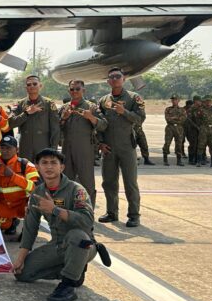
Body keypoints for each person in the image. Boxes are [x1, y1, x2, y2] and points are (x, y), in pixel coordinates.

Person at [13, 148, 98, 301]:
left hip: (83, 244)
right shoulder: (37, 194)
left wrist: (54, 210)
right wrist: (20, 258)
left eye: (53, 163)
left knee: (77, 236)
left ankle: (68, 284)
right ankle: (75, 270)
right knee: (22, 274)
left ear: (62, 167)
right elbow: (30, 228)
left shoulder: (76, 190)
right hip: (58, 244)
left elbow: (87, 221)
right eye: (44, 163)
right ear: (37, 167)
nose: (49, 167)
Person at [96, 68, 145, 227]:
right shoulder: (103, 100)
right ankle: (112, 212)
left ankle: (134, 215)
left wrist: (124, 112)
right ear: (108, 81)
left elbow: (140, 119)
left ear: (124, 79)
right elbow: (99, 124)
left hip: (127, 146)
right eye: (112, 77)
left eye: (118, 76)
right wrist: (100, 143)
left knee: (130, 182)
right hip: (108, 147)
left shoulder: (134, 98)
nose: (115, 79)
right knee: (109, 182)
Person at [60, 79, 106, 207]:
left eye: (77, 89)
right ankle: (65, 210)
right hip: (67, 150)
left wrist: (91, 117)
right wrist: (63, 118)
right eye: (72, 89)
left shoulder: (91, 107)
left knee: (87, 182)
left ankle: (88, 211)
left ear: (83, 90)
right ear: (68, 90)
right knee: (65, 181)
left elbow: (104, 125)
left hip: (84, 149)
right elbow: (56, 128)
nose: (74, 91)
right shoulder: (64, 108)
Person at [0, 136, 39, 241]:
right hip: (5, 205)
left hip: (22, 205)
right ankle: (11, 223)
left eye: (9, 148)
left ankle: (28, 233)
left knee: (35, 205)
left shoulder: (27, 166)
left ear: (17, 149)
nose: (5, 151)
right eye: (2, 148)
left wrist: (13, 177)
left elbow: (35, 188)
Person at [8, 75, 60, 160]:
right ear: (26, 87)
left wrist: (53, 148)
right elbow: (11, 123)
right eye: (29, 84)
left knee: (42, 167)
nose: (32, 86)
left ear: (40, 86)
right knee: (25, 167)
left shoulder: (49, 103)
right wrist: (26, 113)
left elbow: (55, 128)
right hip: (25, 145)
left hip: (43, 145)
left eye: (35, 84)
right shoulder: (20, 104)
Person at [196, 95, 212, 168]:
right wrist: (203, 126)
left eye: (209, 101)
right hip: (204, 128)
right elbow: (198, 119)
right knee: (201, 145)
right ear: (204, 101)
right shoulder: (201, 109)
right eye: (207, 101)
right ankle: (199, 162)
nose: (208, 102)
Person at [162, 94, 186, 166]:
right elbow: (167, 119)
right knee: (167, 143)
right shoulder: (168, 109)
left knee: (179, 144)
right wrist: (177, 118)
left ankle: (179, 160)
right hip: (170, 128)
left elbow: (183, 119)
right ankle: (165, 159)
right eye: (173, 100)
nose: (174, 101)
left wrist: (173, 118)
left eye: (175, 99)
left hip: (179, 128)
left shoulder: (182, 110)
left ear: (178, 100)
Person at [185, 96, 202, 165]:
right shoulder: (191, 109)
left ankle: (197, 159)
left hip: (199, 129)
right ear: (195, 101)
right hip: (192, 130)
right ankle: (191, 159)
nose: (200, 102)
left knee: (199, 144)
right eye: (199, 101)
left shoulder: (200, 109)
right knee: (193, 144)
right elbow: (189, 120)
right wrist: (196, 127)